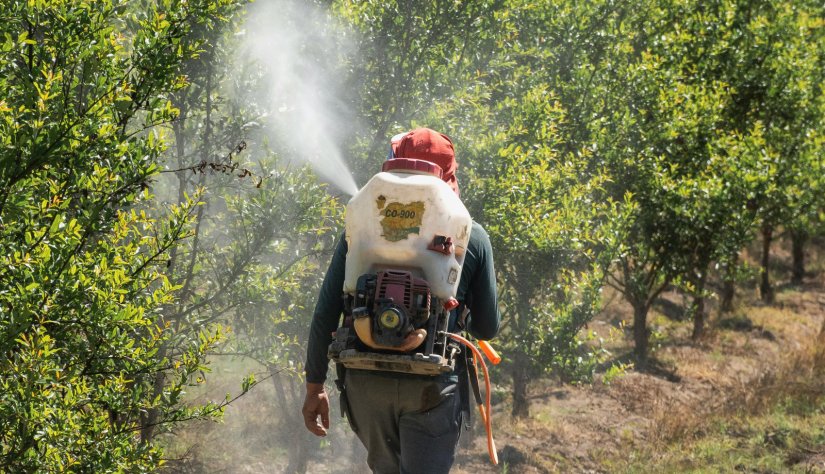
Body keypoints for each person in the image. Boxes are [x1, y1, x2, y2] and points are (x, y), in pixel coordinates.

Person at [301, 128, 500, 473]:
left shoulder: (360, 229)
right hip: (430, 387)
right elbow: (487, 328)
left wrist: (315, 386)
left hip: (364, 382)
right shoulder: (473, 236)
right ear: (448, 175)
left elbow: (325, 312)